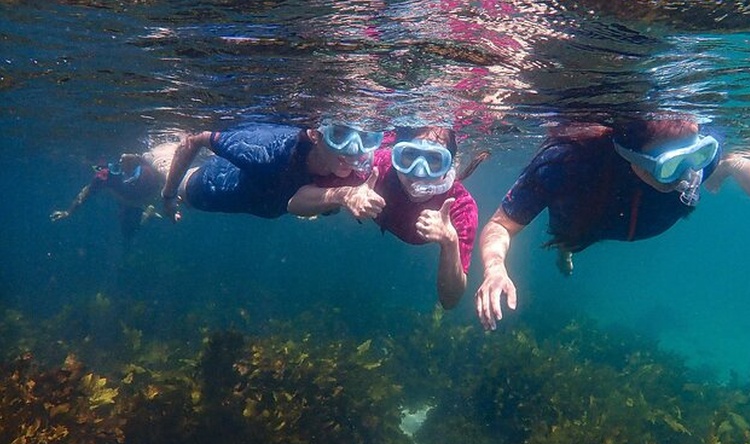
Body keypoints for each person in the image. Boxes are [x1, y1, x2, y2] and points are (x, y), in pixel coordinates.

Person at [474, 114, 750, 330]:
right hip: (586, 218)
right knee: (569, 236)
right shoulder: (566, 163)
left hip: (643, 223)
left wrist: (718, 163)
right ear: (635, 159)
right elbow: (501, 225)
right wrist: (494, 268)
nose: (689, 174)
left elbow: (713, 153)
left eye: (698, 154)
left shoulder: (704, 163)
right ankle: (566, 249)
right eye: (672, 165)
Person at [287, 126, 487, 309]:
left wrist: (449, 242)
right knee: (329, 205)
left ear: (448, 165)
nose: (419, 171)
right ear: (395, 155)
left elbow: (450, 300)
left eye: (434, 160)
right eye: (408, 156)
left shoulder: (460, 206)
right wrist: (344, 195)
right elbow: (294, 204)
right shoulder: (378, 167)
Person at [160, 122, 384, 221]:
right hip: (200, 187)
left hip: (257, 199)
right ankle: (150, 158)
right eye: (340, 135)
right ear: (316, 134)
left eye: (365, 138)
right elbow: (195, 139)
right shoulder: (266, 151)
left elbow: (302, 198)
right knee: (155, 172)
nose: (354, 150)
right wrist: (168, 196)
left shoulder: (346, 164)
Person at [50, 142, 179, 239]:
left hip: (145, 198)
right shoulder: (106, 175)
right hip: (130, 201)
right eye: (122, 162)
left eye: (130, 162)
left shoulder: (148, 171)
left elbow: (167, 182)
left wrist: (172, 201)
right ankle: (146, 216)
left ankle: (148, 213)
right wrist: (69, 212)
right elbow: (87, 191)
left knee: (131, 230)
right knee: (128, 233)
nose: (124, 163)